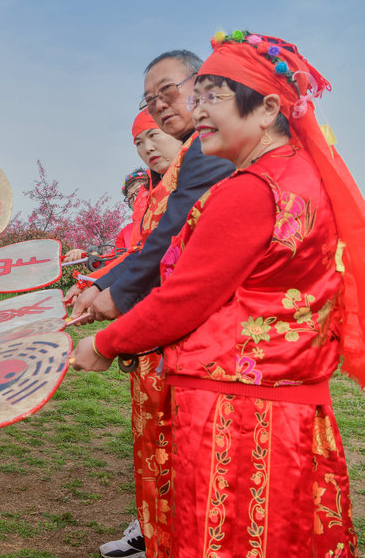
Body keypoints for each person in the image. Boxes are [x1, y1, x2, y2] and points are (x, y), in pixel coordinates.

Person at [73, 31, 362, 557]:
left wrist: (105, 344)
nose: (197, 112)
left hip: (241, 419)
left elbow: (183, 298)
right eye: (198, 97)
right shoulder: (296, 175)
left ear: (268, 107)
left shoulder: (250, 190)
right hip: (285, 409)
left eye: (212, 98)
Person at [67, 53, 235, 558]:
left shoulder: (206, 154)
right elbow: (144, 248)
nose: (160, 109)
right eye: (149, 103)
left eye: (168, 92)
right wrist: (100, 287)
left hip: (193, 343)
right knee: (161, 452)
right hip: (162, 335)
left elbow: (167, 247)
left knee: (185, 461)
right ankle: (157, 533)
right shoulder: (186, 162)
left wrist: (111, 303)